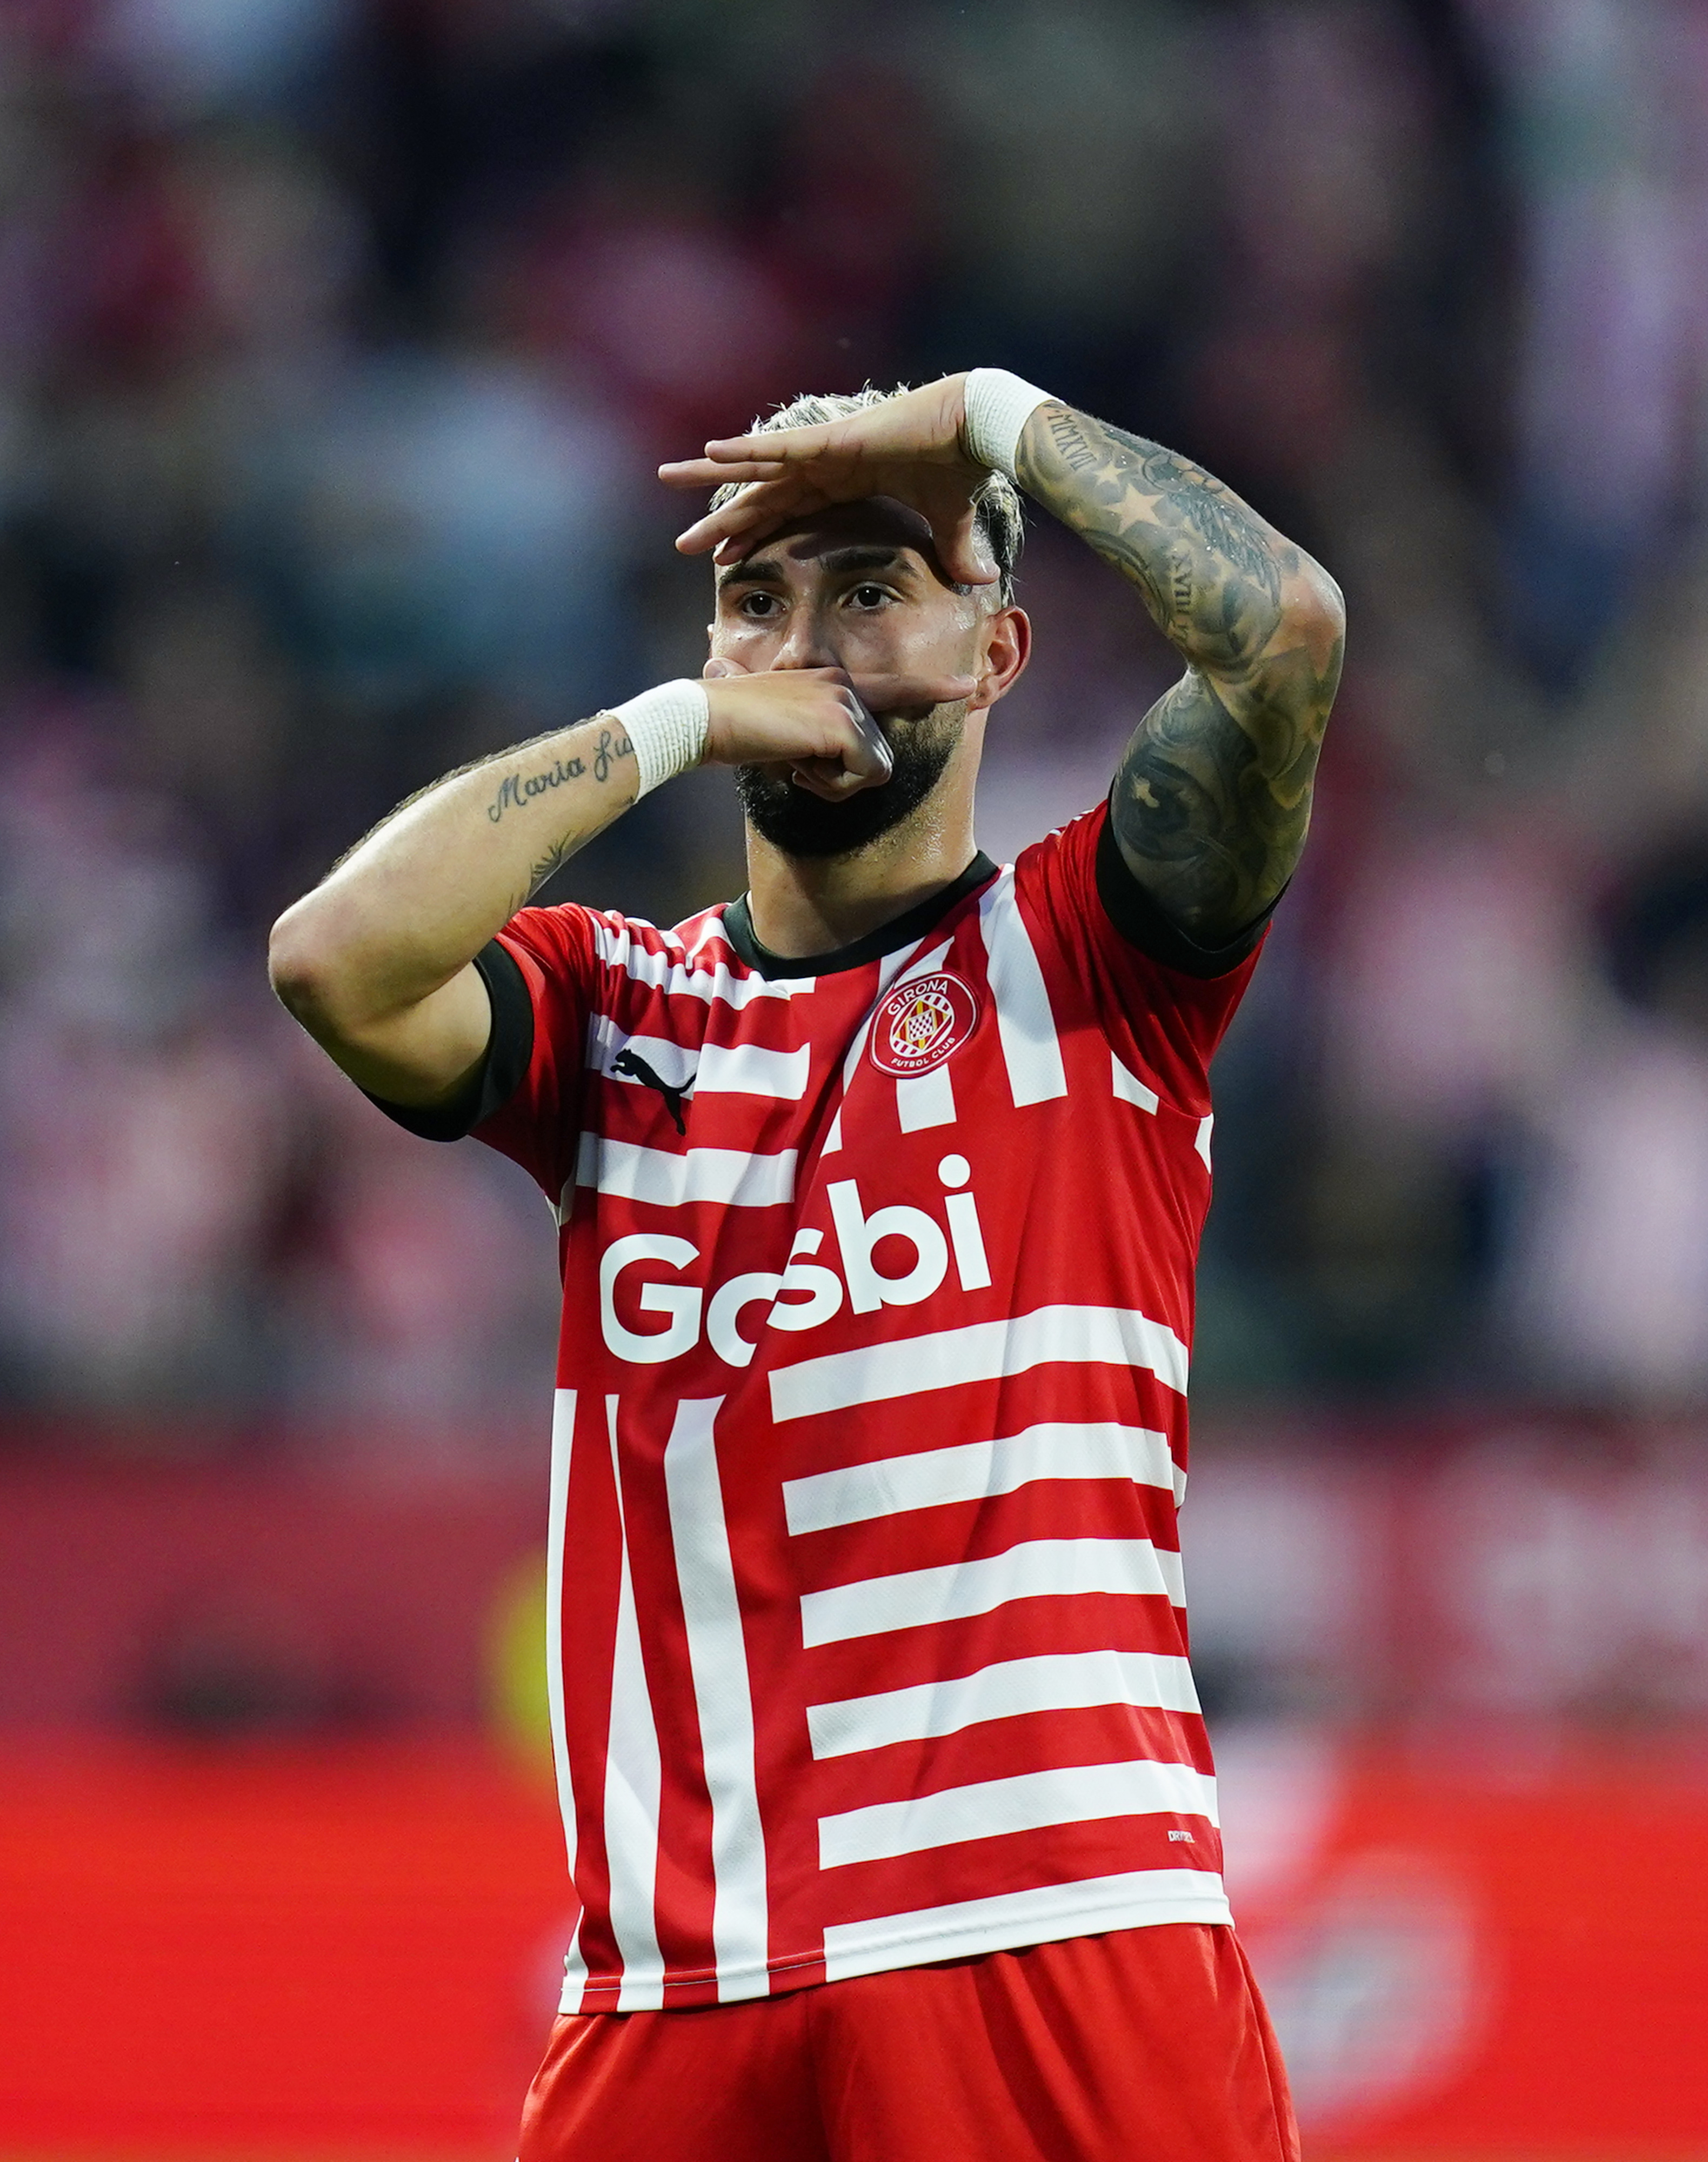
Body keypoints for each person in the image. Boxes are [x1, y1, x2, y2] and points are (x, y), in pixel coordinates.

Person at [269, 370, 1344, 2162]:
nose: (809, 644)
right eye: (758, 598)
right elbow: (335, 959)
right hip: (682, 1982)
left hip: (1048, 1927)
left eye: (871, 590)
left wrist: (995, 420)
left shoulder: (1094, 953)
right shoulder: (622, 1013)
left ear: (996, 655)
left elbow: (1285, 634)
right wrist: (689, 718)